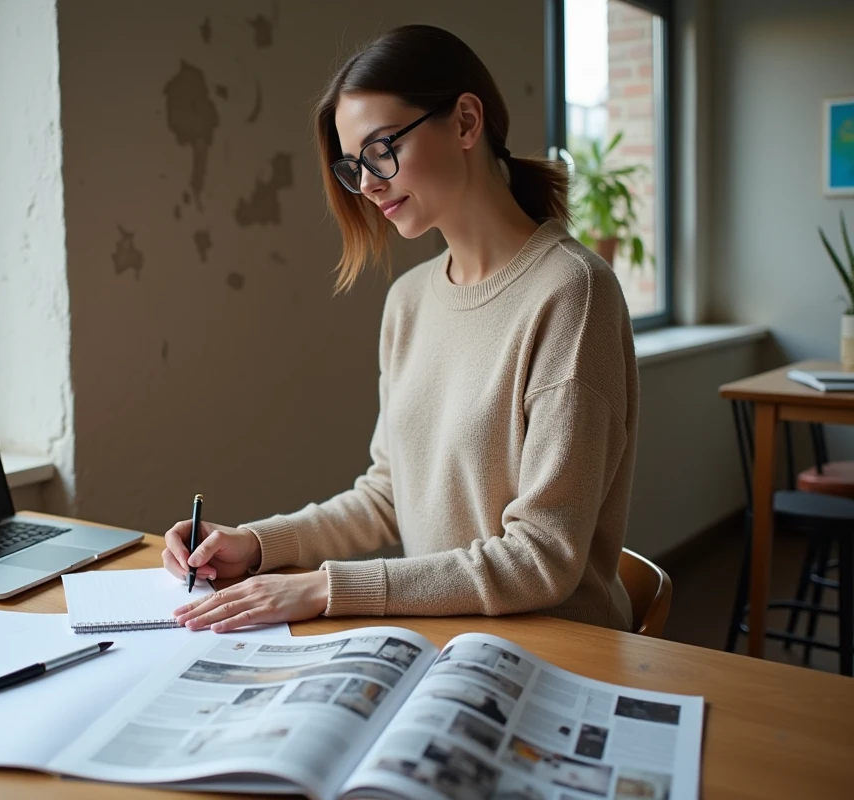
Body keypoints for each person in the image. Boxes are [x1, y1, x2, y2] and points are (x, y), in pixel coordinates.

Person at [162, 24, 637, 633]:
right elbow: (390, 494)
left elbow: (543, 558)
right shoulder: (408, 302)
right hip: (444, 638)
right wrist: (255, 544)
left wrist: (326, 588)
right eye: (353, 165)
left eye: (382, 149)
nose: (367, 184)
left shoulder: (573, 293)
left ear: (466, 122)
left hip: (555, 652)